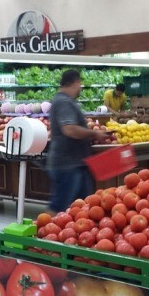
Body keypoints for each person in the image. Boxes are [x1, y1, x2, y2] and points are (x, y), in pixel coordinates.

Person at [47, 69, 110, 213]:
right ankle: (45, 231)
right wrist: (95, 133)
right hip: (67, 165)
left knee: (83, 207)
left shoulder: (65, 100)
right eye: (80, 83)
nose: (80, 87)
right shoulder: (63, 101)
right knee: (60, 209)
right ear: (76, 83)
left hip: (76, 164)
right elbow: (69, 129)